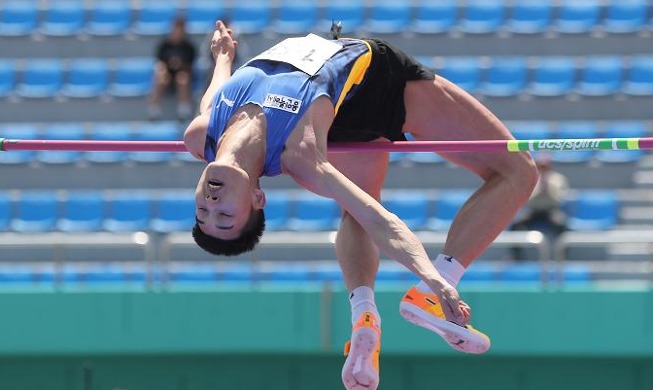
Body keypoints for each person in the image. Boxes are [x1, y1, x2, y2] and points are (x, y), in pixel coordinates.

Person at [183, 21, 538, 390]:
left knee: (355, 207)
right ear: (258, 199)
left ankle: (365, 317)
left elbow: (215, 94)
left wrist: (223, 55)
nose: (211, 204)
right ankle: (433, 290)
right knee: (519, 171)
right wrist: (434, 279)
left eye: (202, 213)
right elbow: (380, 220)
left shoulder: (201, 134)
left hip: (339, 112)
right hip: (377, 85)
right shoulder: (302, 156)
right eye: (224, 216)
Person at [511, 154, 569, 260]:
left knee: (563, 225)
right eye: (540, 166)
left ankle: (561, 255)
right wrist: (539, 190)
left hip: (550, 210)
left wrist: (548, 190)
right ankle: (517, 256)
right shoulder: (531, 179)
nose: (543, 169)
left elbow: (559, 199)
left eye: (545, 166)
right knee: (516, 225)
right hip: (533, 210)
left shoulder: (558, 179)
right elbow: (526, 199)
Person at [149, 17, 197, 121]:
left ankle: (183, 111)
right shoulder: (164, 45)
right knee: (160, 76)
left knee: (182, 78)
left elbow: (190, 67)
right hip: (167, 75)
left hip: (182, 75)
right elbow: (159, 62)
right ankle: (154, 110)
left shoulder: (188, 47)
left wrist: (180, 65)